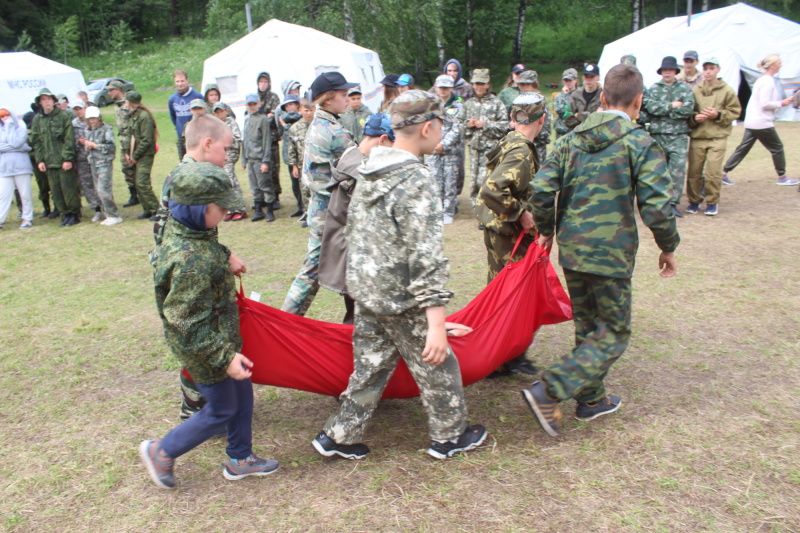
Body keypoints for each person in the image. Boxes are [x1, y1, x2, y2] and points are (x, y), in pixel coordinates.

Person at [311, 90, 487, 461]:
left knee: (370, 367)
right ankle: (450, 435)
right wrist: (437, 322)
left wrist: (362, 286)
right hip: (400, 295)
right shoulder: (414, 180)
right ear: (427, 127)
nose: (441, 133)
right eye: (440, 126)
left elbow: (354, 233)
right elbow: (426, 256)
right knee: (439, 363)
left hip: (368, 290)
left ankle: (338, 435)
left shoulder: (370, 168)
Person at [522, 63, 680, 437]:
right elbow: (657, 206)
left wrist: (547, 229)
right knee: (613, 332)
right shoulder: (639, 142)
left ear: (603, 98)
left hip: (574, 249)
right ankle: (550, 389)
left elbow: (541, 190)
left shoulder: (569, 140)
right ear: (639, 101)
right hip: (611, 252)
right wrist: (668, 246)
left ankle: (591, 399)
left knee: (590, 326)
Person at [139, 114, 279, 489]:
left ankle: (240, 457)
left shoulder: (198, 239)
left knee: (241, 392)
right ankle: (162, 451)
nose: (226, 215)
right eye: (220, 209)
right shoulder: (189, 259)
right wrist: (223, 356)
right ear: (200, 210)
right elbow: (185, 321)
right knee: (221, 408)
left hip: (219, 334)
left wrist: (223, 254)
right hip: (205, 346)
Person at [476, 92, 547, 376]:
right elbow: (492, 190)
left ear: (512, 118)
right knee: (511, 296)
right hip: (508, 232)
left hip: (499, 228)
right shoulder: (520, 151)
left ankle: (508, 355)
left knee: (503, 292)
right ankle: (500, 356)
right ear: (542, 119)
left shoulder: (511, 140)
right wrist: (522, 213)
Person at [282, 72, 357, 316]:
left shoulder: (322, 124)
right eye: (344, 95)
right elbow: (360, 167)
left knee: (326, 269)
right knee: (314, 272)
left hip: (321, 209)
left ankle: (287, 319)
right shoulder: (334, 132)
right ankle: (286, 321)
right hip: (332, 213)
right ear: (327, 99)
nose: (348, 99)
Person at [319, 113, 395, 325]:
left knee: (359, 316)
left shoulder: (351, 155)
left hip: (346, 249)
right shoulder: (363, 171)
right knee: (363, 322)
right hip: (355, 254)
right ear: (382, 140)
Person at [722, 54, 798, 187]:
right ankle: (782, 177)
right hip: (762, 122)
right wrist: (782, 103)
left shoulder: (762, 79)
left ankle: (723, 173)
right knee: (777, 148)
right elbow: (765, 103)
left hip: (753, 121)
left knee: (743, 149)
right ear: (772, 65)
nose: (780, 65)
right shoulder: (768, 81)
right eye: (779, 63)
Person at [685, 57, 741, 216]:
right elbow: (688, 112)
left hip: (717, 137)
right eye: (706, 68)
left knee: (713, 172)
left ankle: (712, 202)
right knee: (694, 172)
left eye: (712, 68)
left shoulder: (727, 90)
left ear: (718, 70)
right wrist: (695, 118)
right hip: (698, 137)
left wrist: (718, 114)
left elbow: (735, 111)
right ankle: (694, 200)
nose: (708, 72)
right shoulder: (696, 90)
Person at [641, 56, 694, 218]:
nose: (667, 73)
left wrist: (663, 110)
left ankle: (672, 203)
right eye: (665, 70)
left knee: (677, 171)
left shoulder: (685, 89)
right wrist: (672, 106)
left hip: (679, 136)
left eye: (670, 70)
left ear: (676, 71)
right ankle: (658, 203)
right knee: (657, 171)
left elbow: (688, 110)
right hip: (658, 135)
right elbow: (650, 108)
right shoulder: (654, 89)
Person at [29, 88, 81, 226]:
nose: (47, 102)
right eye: (43, 100)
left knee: (68, 188)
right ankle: (64, 213)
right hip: (48, 161)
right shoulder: (38, 120)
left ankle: (74, 213)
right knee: (56, 190)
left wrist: (68, 158)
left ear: (53, 101)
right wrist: (40, 160)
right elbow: (37, 141)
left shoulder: (62, 117)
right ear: (39, 102)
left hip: (62, 160)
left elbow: (69, 139)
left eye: (49, 99)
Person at [463, 69, 508, 216]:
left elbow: (505, 126)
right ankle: (477, 212)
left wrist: (486, 124)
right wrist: (467, 125)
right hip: (474, 150)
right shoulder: (468, 104)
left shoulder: (497, 104)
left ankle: (487, 213)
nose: (479, 86)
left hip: (490, 151)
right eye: (476, 83)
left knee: (487, 181)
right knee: (473, 183)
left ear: (488, 84)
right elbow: (459, 126)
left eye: (482, 83)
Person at [428, 74, 465, 224]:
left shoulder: (459, 106)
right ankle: (435, 210)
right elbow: (426, 125)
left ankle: (448, 211)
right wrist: (433, 144)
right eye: (440, 87)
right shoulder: (430, 105)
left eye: (446, 87)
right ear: (436, 87)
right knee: (434, 181)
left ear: (451, 88)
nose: (443, 90)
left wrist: (444, 144)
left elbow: (458, 127)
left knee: (450, 182)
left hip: (451, 152)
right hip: (433, 150)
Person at [83, 106, 122, 226]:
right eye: (90, 119)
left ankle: (114, 215)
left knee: (103, 189)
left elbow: (111, 147)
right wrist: (88, 146)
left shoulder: (107, 130)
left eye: (94, 118)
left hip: (104, 163)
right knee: (98, 190)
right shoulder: (88, 130)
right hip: (93, 162)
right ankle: (107, 213)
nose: (92, 121)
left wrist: (95, 146)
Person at [125, 91, 160, 219]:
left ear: (129, 102)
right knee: (136, 182)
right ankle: (148, 209)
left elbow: (146, 140)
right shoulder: (134, 115)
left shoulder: (144, 116)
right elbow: (131, 136)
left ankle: (158, 210)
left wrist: (135, 156)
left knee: (142, 183)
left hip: (144, 154)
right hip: (136, 154)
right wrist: (127, 153)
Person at [104, 80, 137, 208]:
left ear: (118, 90)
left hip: (132, 141)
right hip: (124, 142)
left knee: (135, 169)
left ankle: (139, 194)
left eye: (111, 90)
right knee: (126, 169)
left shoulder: (128, 104)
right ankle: (133, 194)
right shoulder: (116, 106)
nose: (109, 92)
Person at [241, 93, 274, 222]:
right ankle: (258, 210)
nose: (252, 107)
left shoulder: (263, 119)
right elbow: (245, 141)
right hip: (250, 160)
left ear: (259, 104)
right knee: (254, 187)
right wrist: (244, 160)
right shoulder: (246, 119)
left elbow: (266, 141)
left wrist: (265, 161)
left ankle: (270, 210)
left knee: (265, 185)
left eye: (254, 104)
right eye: (250, 104)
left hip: (260, 159)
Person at [0, 107, 34, 230]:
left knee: (25, 194)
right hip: (4, 168)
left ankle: (27, 218)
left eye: (6, 116)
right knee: (3, 195)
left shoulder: (21, 129)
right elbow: (16, 146)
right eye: (2, 117)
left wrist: (9, 127)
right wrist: (22, 148)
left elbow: (15, 142)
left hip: (21, 167)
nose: (5, 119)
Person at [212, 102, 246, 221]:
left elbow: (237, 140)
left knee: (231, 180)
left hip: (229, 155)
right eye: (216, 112)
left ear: (226, 111)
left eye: (221, 111)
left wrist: (225, 143)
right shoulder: (214, 125)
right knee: (223, 182)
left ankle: (240, 208)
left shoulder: (232, 123)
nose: (219, 114)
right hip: (218, 156)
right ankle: (230, 208)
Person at [71, 101, 103, 222]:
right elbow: (70, 141)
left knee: (100, 183)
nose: (79, 111)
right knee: (87, 185)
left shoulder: (94, 120)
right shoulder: (73, 124)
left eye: (80, 108)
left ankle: (106, 206)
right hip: (82, 158)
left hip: (96, 156)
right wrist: (79, 143)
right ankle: (96, 209)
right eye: (76, 109)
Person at [255, 72, 283, 208]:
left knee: (273, 168)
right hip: (258, 140)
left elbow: (274, 115)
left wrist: (264, 117)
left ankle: (275, 196)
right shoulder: (254, 98)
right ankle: (263, 196)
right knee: (259, 170)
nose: (263, 84)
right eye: (260, 82)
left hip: (271, 139)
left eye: (265, 82)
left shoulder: (274, 97)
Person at [286, 100, 314, 225]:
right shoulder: (295, 128)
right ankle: (308, 214)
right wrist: (294, 166)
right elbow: (291, 149)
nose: (308, 113)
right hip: (303, 165)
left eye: (311, 110)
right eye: (306, 110)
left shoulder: (319, 125)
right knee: (305, 190)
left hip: (318, 164)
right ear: (300, 110)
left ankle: (320, 215)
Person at [515, 70, 552, 164]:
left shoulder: (540, 103)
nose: (525, 87)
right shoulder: (518, 103)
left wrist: (528, 130)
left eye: (528, 84)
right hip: (520, 149)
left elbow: (546, 132)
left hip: (537, 149)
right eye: (522, 84)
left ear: (535, 84)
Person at [168, 70, 203, 161]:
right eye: (177, 81)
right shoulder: (172, 99)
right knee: (184, 162)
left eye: (182, 81)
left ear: (187, 80)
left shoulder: (197, 96)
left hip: (197, 136)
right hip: (181, 137)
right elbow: (173, 117)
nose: (180, 84)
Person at [278, 95, 303, 217]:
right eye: (287, 106)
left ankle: (306, 207)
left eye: (291, 104)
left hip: (301, 156)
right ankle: (300, 206)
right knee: (294, 184)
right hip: (290, 156)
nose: (289, 107)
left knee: (303, 183)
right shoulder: (284, 118)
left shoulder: (301, 117)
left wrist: (285, 125)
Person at [563, 63, 603, 132]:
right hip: (577, 135)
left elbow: (602, 120)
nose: (588, 79)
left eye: (591, 77)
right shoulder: (575, 95)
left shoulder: (603, 96)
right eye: (586, 76)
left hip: (596, 136)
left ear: (598, 77)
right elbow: (568, 120)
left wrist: (578, 115)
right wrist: (593, 115)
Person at [553, 68, 579, 139]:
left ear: (576, 80)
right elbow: (560, 111)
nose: (568, 83)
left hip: (575, 130)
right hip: (561, 132)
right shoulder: (559, 96)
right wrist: (565, 95)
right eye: (566, 80)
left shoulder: (581, 94)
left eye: (570, 80)